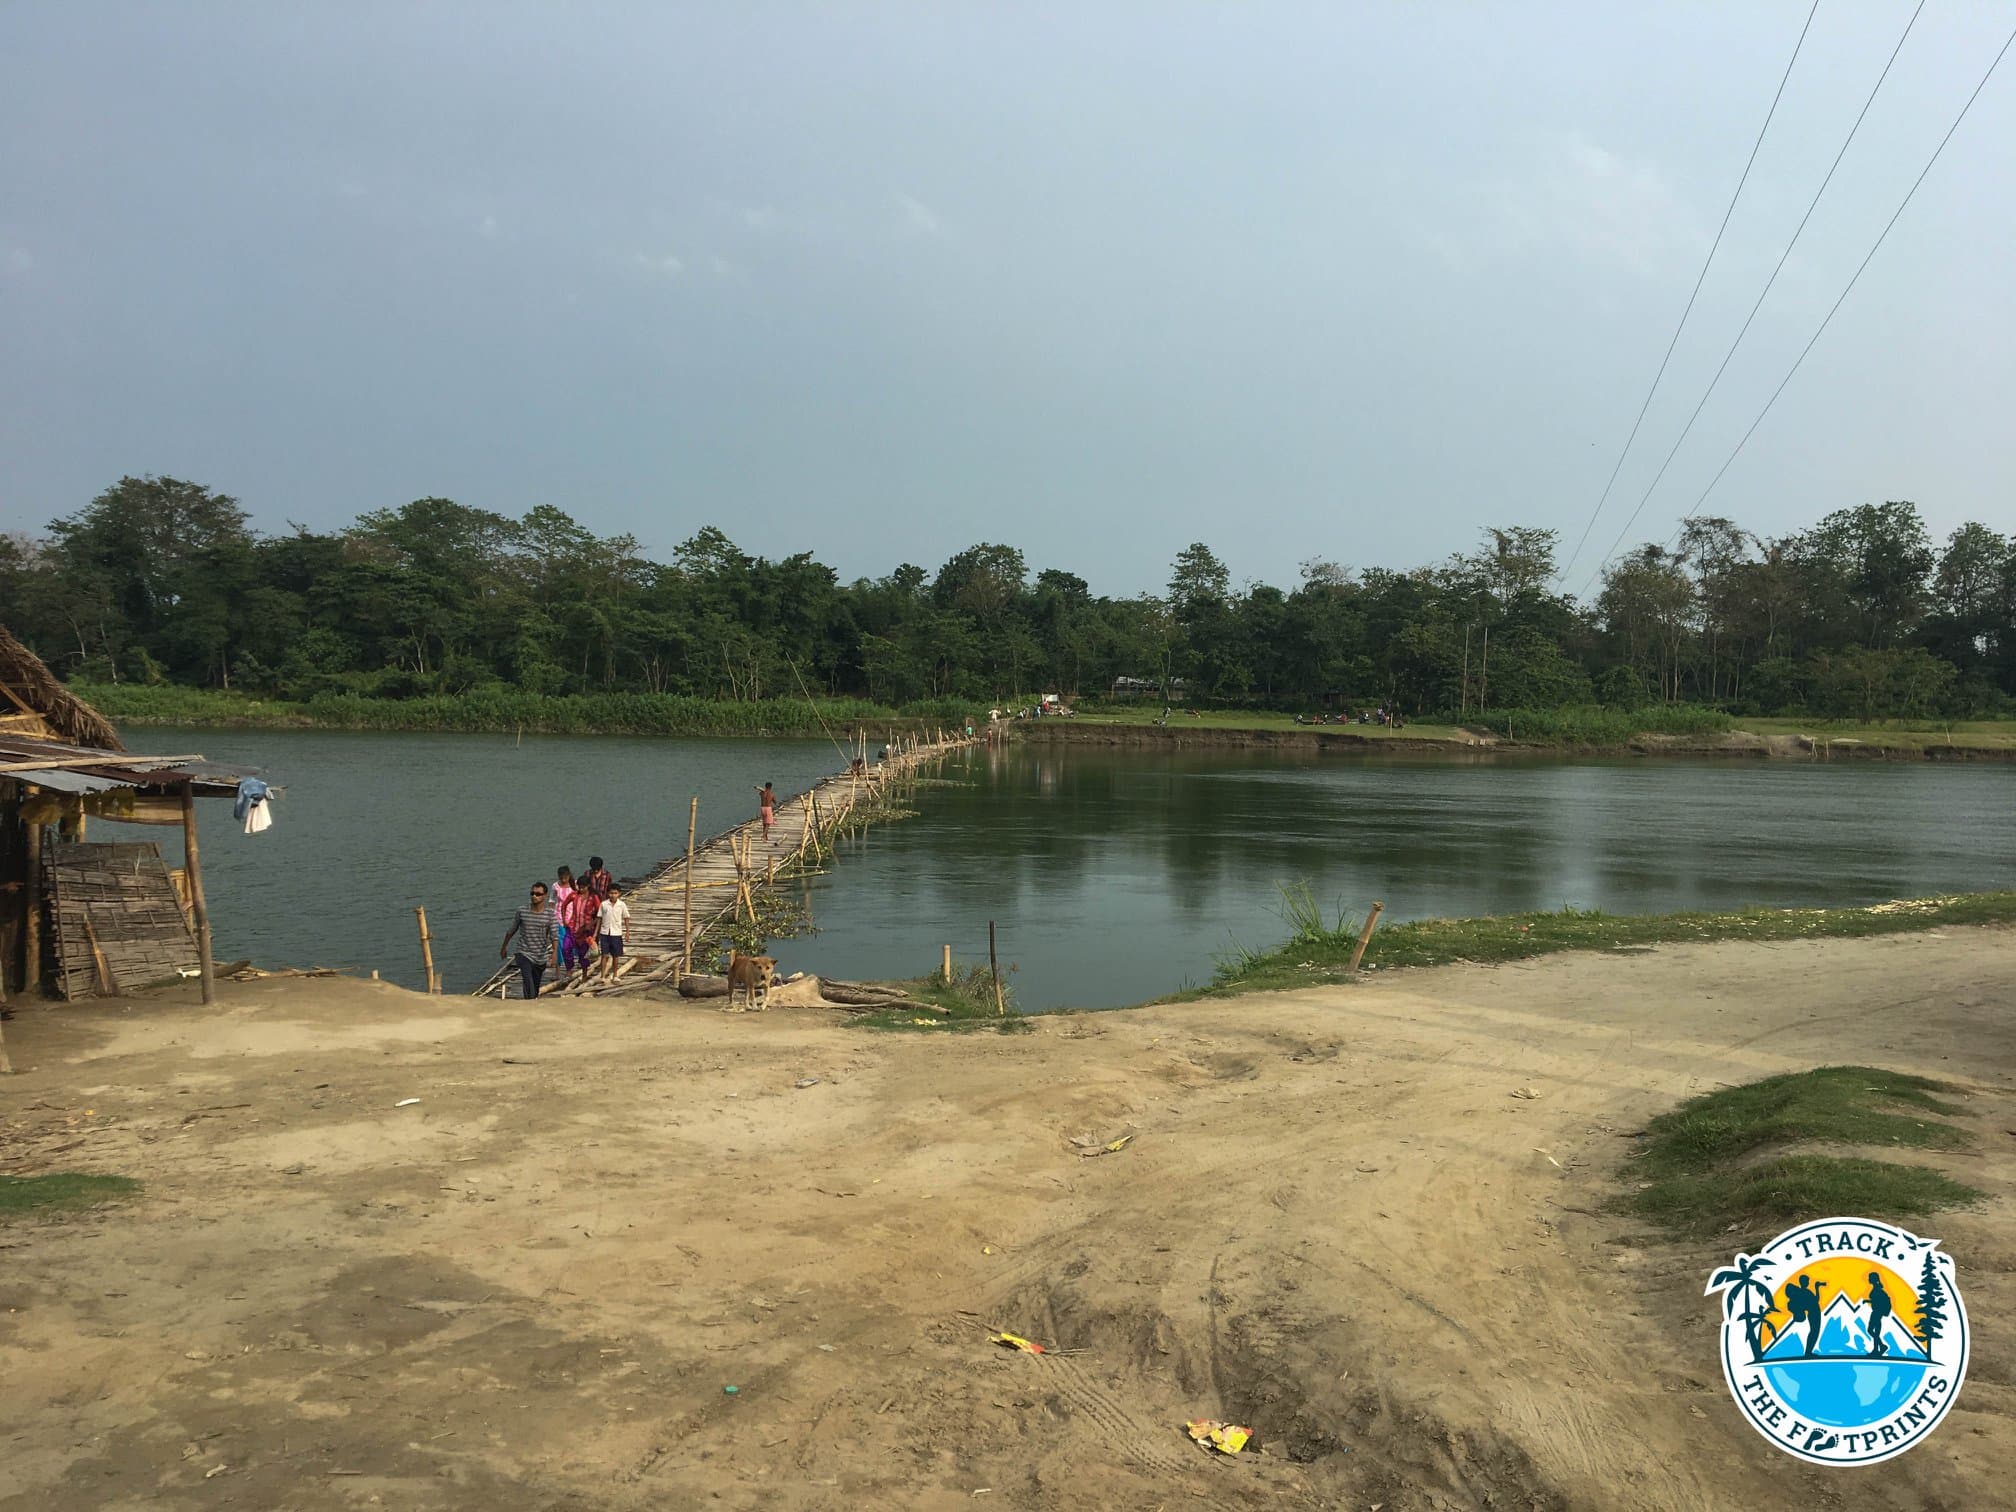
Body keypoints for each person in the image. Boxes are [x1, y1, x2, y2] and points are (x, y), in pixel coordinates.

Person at [500, 881, 558, 1000]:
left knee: (535, 987)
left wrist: (555, 953)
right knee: (528, 983)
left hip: (540, 956)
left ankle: (532, 1004)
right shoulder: (522, 911)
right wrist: (504, 947)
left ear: (544, 896)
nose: (534, 896)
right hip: (524, 953)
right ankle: (529, 1005)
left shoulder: (550, 914)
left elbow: (554, 936)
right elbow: (512, 930)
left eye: (538, 894)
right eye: (532, 893)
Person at [596, 883, 631, 982]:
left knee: (616, 955)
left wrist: (627, 932)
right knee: (604, 955)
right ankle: (602, 976)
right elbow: (599, 918)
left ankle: (615, 975)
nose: (613, 895)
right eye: (611, 893)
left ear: (619, 894)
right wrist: (596, 933)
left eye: (615, 893)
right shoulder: (604, 904)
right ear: (608, 893)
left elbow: (626, 917)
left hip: (616, 933)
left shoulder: (622, 905)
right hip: (605, 932)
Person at [1784, 1275, 1825, 1355]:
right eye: (1807, 1281)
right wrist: (1817, 1288)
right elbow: (1816, 1300)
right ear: (1803, 1282)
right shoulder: (1805, 1292)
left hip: (1814, 1313)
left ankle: (1808, 1352)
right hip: (1814, 1313)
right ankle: (1808, 1352)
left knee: (1813, 1332)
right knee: (1814, 1332)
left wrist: (1817, 1288)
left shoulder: (1804, 1291)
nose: (1808, 1283)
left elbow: (1813, 1301)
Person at [1866, 1272, 1894, 1357]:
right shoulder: (1877, 1288)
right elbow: (1876, 1300)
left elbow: (1878, 1301)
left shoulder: (1877, 1289)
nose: (1868, 1279)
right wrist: (1868, 1301)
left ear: (1873, 1279)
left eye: (1870, 1278)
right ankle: (1880, 1347)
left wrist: (1871, 1301)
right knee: (1873, 1331)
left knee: (1871, 1330)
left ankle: (1878, 1349)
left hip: (1876, 1313)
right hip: (1877, 1312)